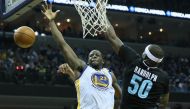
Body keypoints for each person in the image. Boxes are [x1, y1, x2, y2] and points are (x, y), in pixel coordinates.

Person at [41, 2, 122, 109]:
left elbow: (120, 97)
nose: (93, 56)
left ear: (103, 60)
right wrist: (51, 21)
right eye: (91, 55)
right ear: (87, 61)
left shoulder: (110, 75)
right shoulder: (83, 69)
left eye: (96, 55)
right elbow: (62, 45)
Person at [103, 18, 170, 108]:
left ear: (144, 55)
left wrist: (102, 14)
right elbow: (164, 103)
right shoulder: (163, 77)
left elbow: (111, 37)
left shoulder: (133, 60)